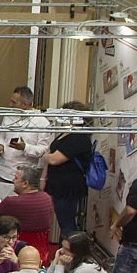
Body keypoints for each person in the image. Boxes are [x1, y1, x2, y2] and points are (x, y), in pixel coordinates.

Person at [42, 101, 93, 236]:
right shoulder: (66, 134)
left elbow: (54, 159)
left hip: (68, 187)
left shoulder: (78, 137)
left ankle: (68, 246)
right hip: (58, 184)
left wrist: (46, 155)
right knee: (63, 221)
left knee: (67, 222)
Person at [0, 86, 50, 199]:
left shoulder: (42, 123)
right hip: (3, 171)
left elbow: (43, 149)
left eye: (14, 102)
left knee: (21, 206)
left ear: (25, 104)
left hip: (24, 177)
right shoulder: (8, 116)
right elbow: (1, 136)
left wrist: (25, 147)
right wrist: (0, 145)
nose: (10, 105)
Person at [0, 164, 54, 235]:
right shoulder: (48, 198)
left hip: (16, 240)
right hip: (43, 241)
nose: (13, 180)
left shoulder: (11, 202)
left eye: (16, 178)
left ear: (25, 184)